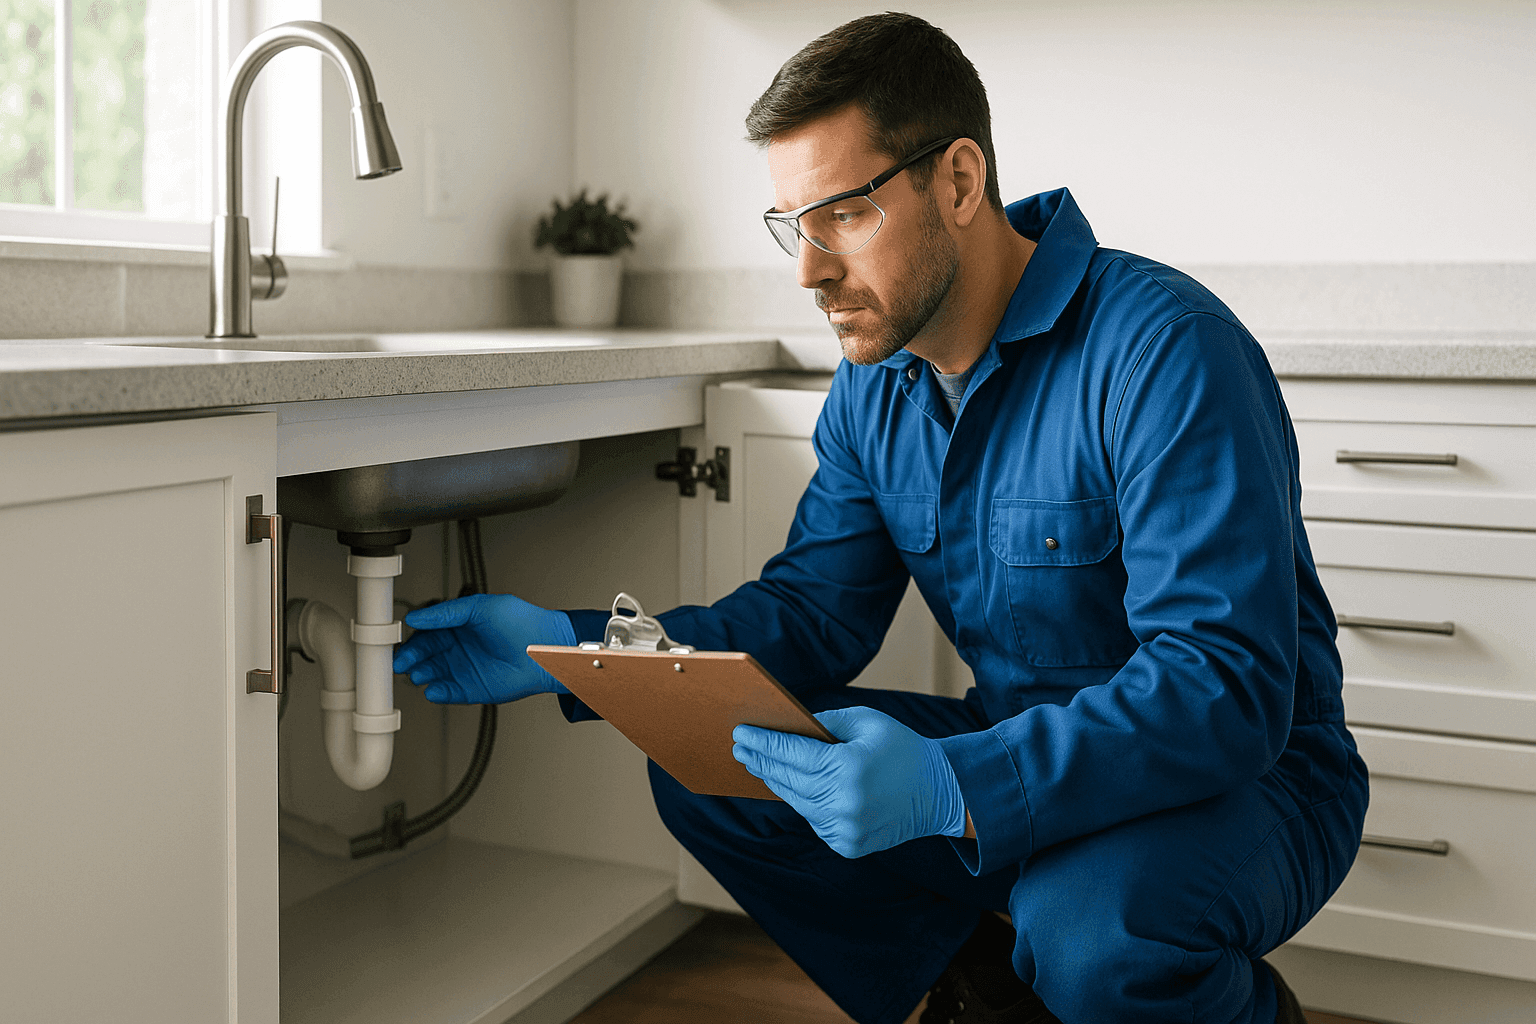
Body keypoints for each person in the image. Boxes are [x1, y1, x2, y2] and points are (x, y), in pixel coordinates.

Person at [394, 12, 1367, 1024]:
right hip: (1022, 744)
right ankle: (990, 995)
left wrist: (954, 784)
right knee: (717, 764)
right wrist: (574, 645)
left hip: (1254, 779)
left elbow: (1226, 691)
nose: (808, 270)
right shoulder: (878, 383)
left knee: (1090, 926)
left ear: (957, 181)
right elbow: (813, 615)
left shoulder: (1165, 351)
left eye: (844, 216)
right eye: (791, 226)